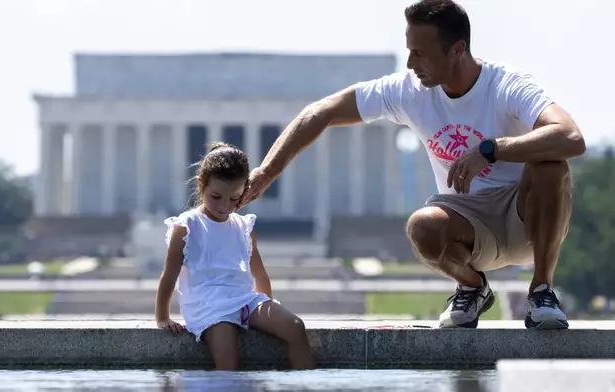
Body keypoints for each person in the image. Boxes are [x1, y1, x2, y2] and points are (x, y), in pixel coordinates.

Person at [238, 0, 585, 330]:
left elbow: (571, 137)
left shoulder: (506, 84)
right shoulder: (408, 90)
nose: (409, 63)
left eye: (419, 53)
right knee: (422, 226)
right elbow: (322, 111)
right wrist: (268, 171)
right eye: (408, 49)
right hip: (468, 223)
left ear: (457, 50)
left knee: (551, 165)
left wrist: (492, 149)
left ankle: (542, 291)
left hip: (523, 215)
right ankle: (472, 288)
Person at [155, 142, 315, 370]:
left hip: (243, 298)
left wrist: (265, 311)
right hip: (208, 304)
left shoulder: (243, 225)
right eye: (216, 196)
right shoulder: (187, 226)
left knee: (295, 327)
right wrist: (163, 318)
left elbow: (259, 274)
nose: (224, 206)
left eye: (234, 199)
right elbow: (169, 276)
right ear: (201, 185)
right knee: (228, 364)